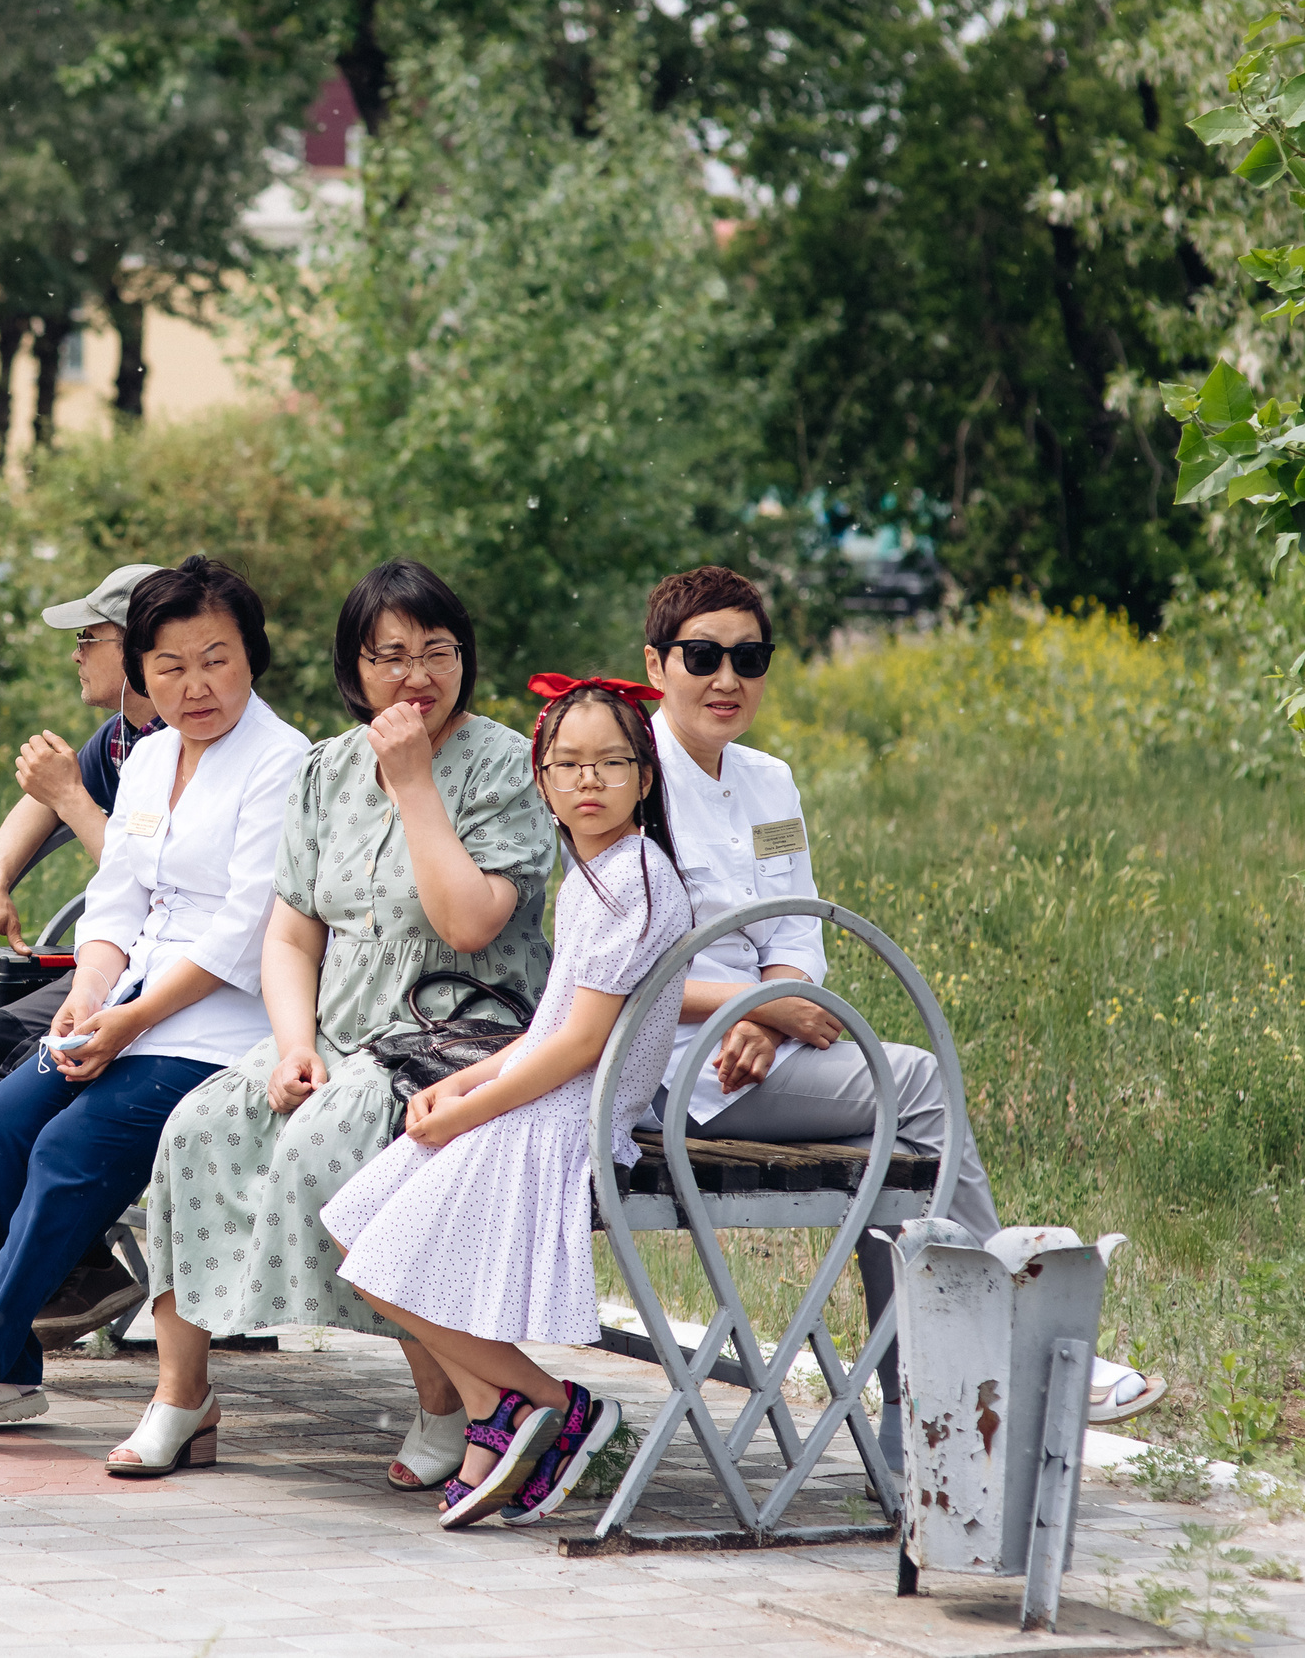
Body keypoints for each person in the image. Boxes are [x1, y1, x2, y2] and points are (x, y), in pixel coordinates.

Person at [636, 565, 1162, 1455]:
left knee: (900, 1156)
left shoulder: (770, 781)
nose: (727, 679)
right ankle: (1023, 1339)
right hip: (678, 1072)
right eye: (702, 656)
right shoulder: (625, 774)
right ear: (657, 665)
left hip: (768, 1050)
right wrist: (760, 1009)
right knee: (910, 1081)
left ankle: (910, 1415)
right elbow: (618, 976)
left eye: (749, 657)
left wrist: (772, 1013)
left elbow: (797, 923)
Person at [0, 556, 309, 1446]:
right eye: (169, 666)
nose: (195, 684)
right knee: (6, 1122)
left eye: (216, 658)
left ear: (252, 655)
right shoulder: (151, 757)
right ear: (141, 673)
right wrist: (89, 994)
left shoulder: (282, 761)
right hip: (130, 1003)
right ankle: (11, 1372)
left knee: (66, 1144)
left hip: (224, 1026)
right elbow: (120, 900)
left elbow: (244, 929)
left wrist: (127, 1019)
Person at [121, 559, 554, 1485]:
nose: (416, 676)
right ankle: (180, 1393)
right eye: (388, 656)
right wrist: (292, 1045)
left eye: (436, 651)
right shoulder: (324, 769)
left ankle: (447, 1402)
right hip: (339, 1035)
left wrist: (412, 784)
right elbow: (289, 933)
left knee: (331, 1145)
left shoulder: (506, 764)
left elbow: (469, 920)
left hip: (454, 1039)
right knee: (198, 1129)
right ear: (353, 672)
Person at [322, 675, 694, 1530]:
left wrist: (467, 1113)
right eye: (568, 764)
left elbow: (580, 1045)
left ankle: (553, 1402)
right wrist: (458, 1082)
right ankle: (504, 1410)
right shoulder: (592, 874)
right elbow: (548, 1028)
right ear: (544, 779)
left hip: (574, 1120)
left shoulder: (636, 875)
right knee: (358, 1225)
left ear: (645, 776)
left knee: (383, 1252)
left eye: (611, 762)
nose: (588, 779)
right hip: (543, 1098)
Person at [0, 561, 164, 1343]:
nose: (76, 654)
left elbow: (156, 883)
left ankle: (62, 1268)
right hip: (111, 960)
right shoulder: (121, 736)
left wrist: (71, 796)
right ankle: (76, 1269)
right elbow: (34, 806)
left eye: (88, 637)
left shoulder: (182, 741)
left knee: (22, 1077)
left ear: (138, 645)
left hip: (165, 971)